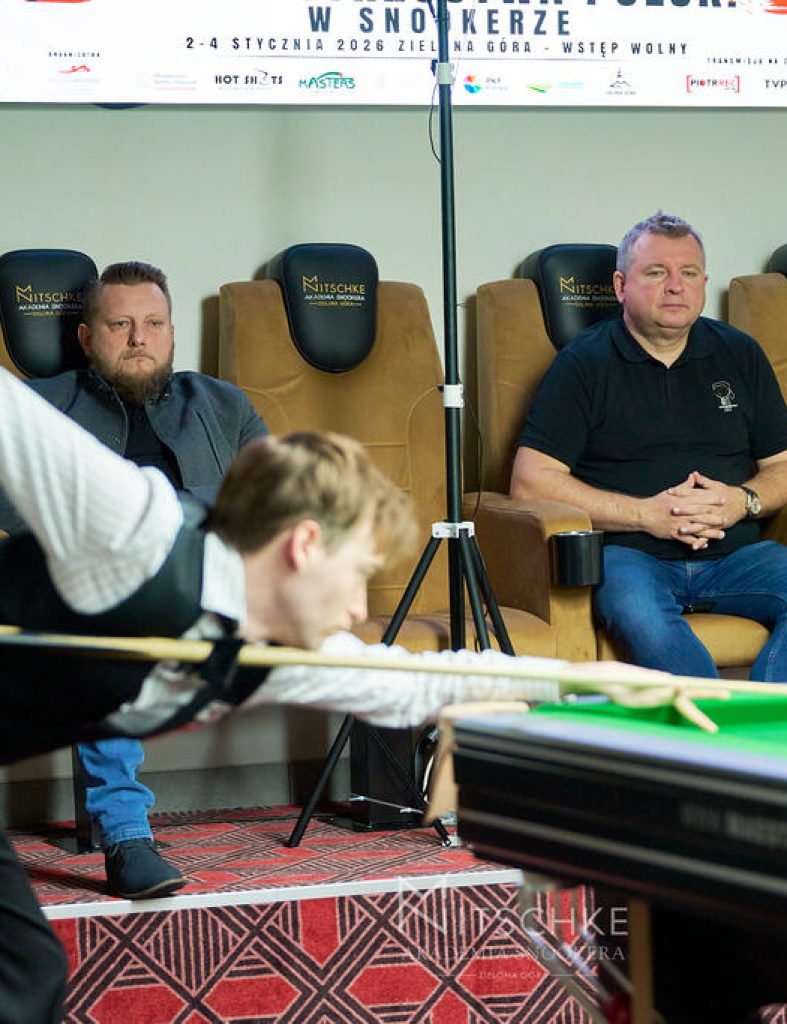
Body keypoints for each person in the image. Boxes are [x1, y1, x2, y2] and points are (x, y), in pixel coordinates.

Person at [0, 363, 673, 1024]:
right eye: (357, 575)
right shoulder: (135, 526)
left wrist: (588, 679)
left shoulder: (276, 651)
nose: (357, 609)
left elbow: (413, 682)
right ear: (305, 544)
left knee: (27, 973)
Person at [0, 261, 268, 901]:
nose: (138, 338)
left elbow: (274, 496)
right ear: (87, 337)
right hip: (101, 588)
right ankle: (127, 836)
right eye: (119, 325)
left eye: (153, 323)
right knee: (104, 628)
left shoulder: (222, 405)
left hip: (207, 580)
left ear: (172, 333)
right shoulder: (42, 405)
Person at [511, 212, 787, 681]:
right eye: (656, 273)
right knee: (635, 606)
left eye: (689, 273)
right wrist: (646, 515)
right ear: (620, 286)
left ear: (704, 283)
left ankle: (763, 723)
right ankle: (709, 725)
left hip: (735, 556)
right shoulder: (583, 363)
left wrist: (741, 501)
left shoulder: (740, 353)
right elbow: (530, 482)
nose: (676, 287)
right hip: (630, 558)